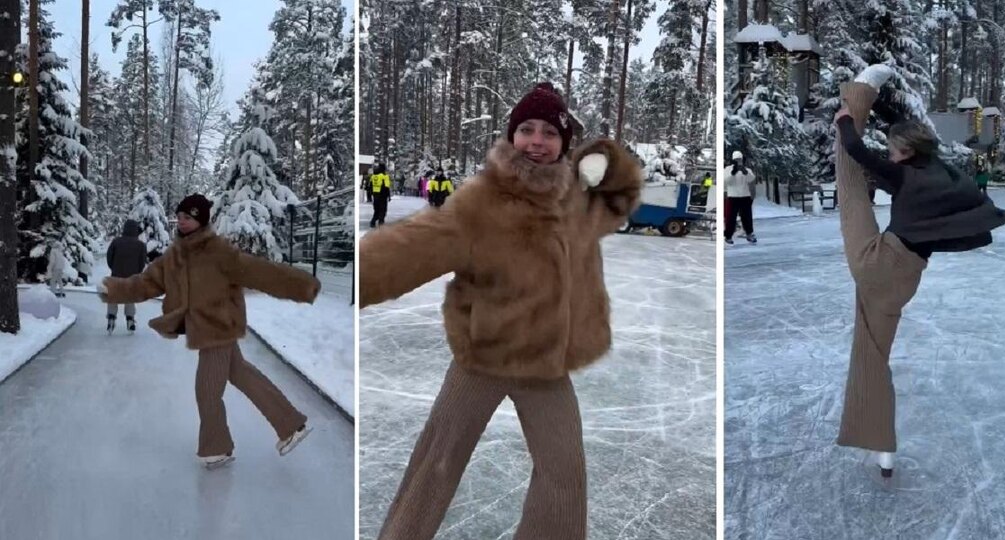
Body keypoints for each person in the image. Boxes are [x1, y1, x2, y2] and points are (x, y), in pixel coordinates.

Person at [359, 82, 642, 540]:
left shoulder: (577, 201)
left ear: (563, 143)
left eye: (549, 132)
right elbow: (417, 245)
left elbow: (621, 197)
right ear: (511, 137)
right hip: (482, 360)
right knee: (437, 464)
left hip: (547, 368)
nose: (536, 140)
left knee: (565, 476)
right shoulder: (482, 200)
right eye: (526, 129)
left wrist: (604, 158)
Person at [832, 65, 1005, 481]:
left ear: (907, 152)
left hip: (878, 261)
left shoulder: (905, 172)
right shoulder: (944, 174)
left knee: (850, 191)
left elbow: (858, 152)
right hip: (906, 280)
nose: (891, 155)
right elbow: (895, 144)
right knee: (872, 354)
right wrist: (883, 109)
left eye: (895, 150)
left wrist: (847, 121)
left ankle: (859, 91)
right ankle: (882, 447)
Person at [97, 194, 321, 470]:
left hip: (219, 327)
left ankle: (216, 449)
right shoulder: (175, 255)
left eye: (188, 217)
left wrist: (302, 285)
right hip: (205, 330)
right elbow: (147, 282)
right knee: (242, 374)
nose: (182, 222)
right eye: (179, 216)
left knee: (206, 390)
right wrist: (115, 289)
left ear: (201, 220)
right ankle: (291, 425)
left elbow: (259, 271)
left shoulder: (218, 251)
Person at [105, 219, 148, 334]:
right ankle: (130, 320)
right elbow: (142, 262)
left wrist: (114, 267)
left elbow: (109, 257)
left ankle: (111, 318)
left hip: (116, 275)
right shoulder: (140, 245)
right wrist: (137, 272)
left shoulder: (116, 242)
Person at [724, 151, 757, 245]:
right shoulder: (727, 169)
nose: (738, 162)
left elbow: (751, 179)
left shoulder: (746, 169)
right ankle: (728, 235)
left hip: (745, 196)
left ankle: (749, 233)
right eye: (736, 160)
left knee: (747, 217)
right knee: (731, 217)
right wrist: (733, 172)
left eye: (740, 160)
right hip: (733, 196)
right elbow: (726, 181)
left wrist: (745, 172)